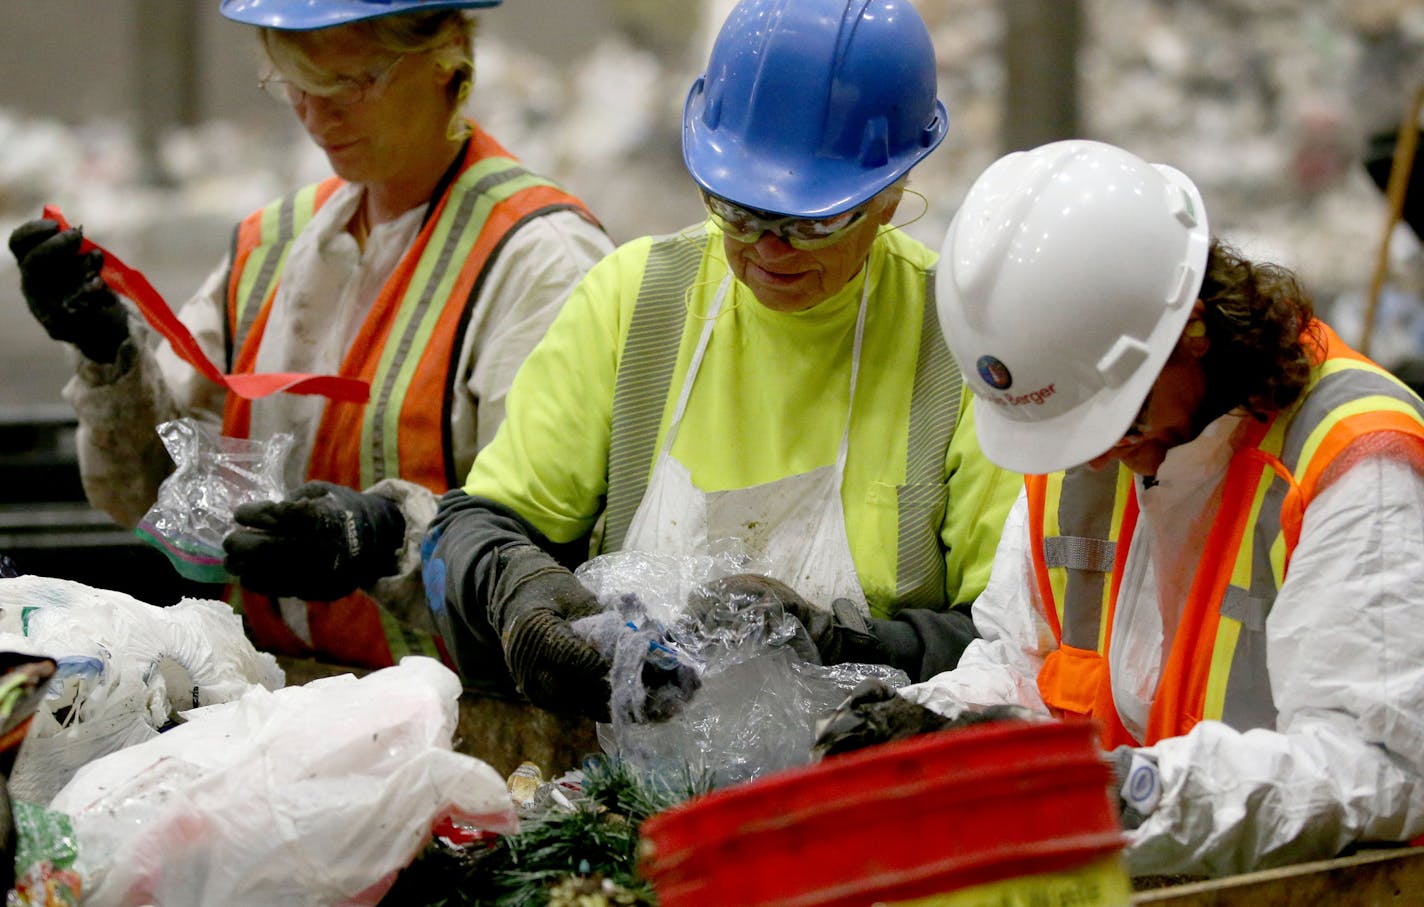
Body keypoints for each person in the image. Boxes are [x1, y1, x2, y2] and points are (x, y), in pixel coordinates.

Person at [813, 139, 1424, 878]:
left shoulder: (1357, 464)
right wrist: (934, 731)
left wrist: (1120, 792)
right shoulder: (1082, 451)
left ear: (1194, 328)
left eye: (1121, 421)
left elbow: (1377, 771)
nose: (1101, 456)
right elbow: (1019, 664)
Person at [422, 0, 1020, 723]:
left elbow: (1009, 646)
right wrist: (513, 588)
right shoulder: (636, 301)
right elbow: (472, 530)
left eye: (813, 221)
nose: (767, 249)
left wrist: (837, 645)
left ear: (892, 192)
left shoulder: (958, 349)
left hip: (858, 804)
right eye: (735, 209)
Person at [7, 0, 612, 669]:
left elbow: (542, 559)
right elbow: (149, 495)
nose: (318, 116)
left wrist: (381, 540)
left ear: (448, 58)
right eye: (294, 82)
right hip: (274, 702)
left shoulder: (539, 262)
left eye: (350, 83)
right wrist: (109, 355)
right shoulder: (275, 243)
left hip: (460, 722)